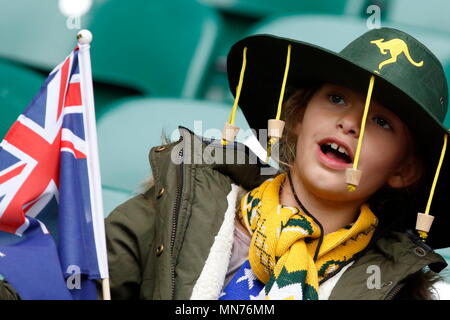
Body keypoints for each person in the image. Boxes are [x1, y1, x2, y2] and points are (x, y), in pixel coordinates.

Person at [0, 27, 449, 300]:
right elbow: (73, 286)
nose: (350, 122)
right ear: (294, 117)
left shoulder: (392, 288)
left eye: (381, 122)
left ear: (405, 170)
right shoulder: (179, 198)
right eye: (336, 98)